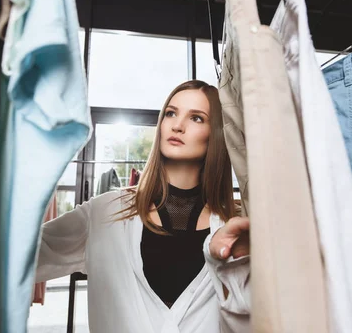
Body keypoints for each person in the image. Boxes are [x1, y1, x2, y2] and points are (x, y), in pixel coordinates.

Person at [35, 80, 250, 332]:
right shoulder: (104, 213)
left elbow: (253, 319)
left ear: (214, 134)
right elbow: (21, 259)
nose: (177, 125)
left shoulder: (234, 226)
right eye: (171, 113)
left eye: (196, 118)